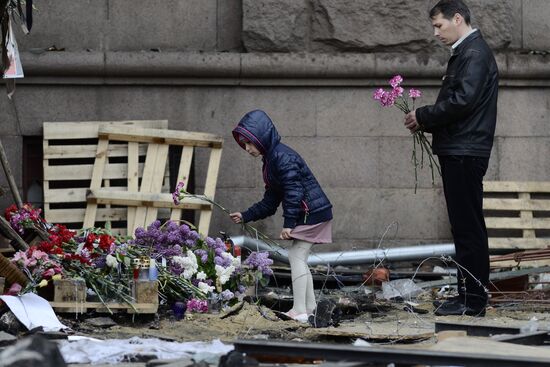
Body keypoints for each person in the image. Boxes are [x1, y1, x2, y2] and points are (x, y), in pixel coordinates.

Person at [404, 0, 498, 317]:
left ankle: (472, 302)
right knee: (465, 228)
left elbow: (462, 101)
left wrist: (424, 116)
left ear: (457, 19)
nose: (435, 32)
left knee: (468, 229)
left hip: (464, 151)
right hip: (462, 149)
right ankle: (469, 297)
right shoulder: (469, 52)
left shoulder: (473, 53)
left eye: (439, 25)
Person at [229, 110, 333, 322]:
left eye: (249, 143)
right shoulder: (271, 160)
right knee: (299, 258)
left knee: (296, 257)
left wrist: (289, 224)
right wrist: (247, 215)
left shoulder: (282, 157)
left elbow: (294, 191)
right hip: (309, 212)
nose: (247, 148)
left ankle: (300, 310)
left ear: (261, 137)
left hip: (311, 213)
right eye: (244, 144)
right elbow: (271, 200)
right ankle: (309, 308)